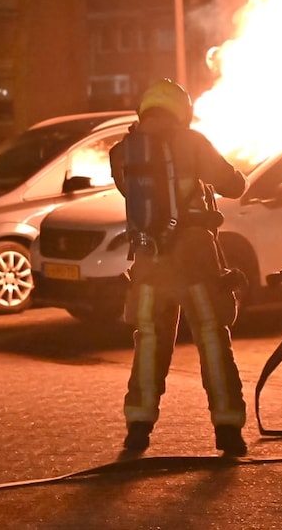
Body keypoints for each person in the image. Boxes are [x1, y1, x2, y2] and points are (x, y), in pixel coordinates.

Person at [109, 78, 250, 457]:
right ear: (181, 111)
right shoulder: (193, 142)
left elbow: (136, 197)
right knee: (211, 339)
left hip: (149, 260)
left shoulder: (122, 151)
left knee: (150, 342)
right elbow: (233, 185)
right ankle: (228, 429)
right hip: (194, 258)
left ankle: (138, 427)